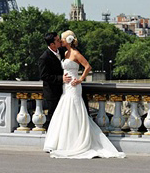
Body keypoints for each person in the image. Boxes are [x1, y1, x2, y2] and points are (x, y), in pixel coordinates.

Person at [43, 30, 125, 159]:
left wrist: (81, 79)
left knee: (74, 111)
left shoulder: (75, 53)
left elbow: (88, 66)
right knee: (66, 113)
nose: (60, 41)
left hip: (74, 86)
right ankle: (65, 142)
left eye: (62, 39)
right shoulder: (64, 53)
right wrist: (62, 78)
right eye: (59, 40)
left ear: (68, 40)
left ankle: (74, 142)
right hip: (66, 87)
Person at [38, 32, 71, 124]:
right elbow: (44, 76)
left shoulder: (61, 51)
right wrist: (61, 79)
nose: (60, 41)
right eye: (57, 40)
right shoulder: (44, 58)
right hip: (52, 92)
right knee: (53, 115)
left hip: (64, 89)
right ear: (52, 44)